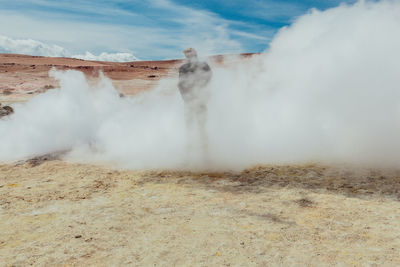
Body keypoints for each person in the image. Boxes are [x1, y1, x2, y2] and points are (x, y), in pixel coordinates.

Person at [178, 48, 212, 162]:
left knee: (201, 126)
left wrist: (201, 93)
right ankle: (190, 155)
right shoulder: (183, 68)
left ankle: (205, 155)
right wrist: (186, 98)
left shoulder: (203, 66)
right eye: (188, 55)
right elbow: (181, 84)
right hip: (190, 101)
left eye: (191, 55)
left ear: (195, 55)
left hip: (199, 100)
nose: (190, 57)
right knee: (190, 127)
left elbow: (208, 79)